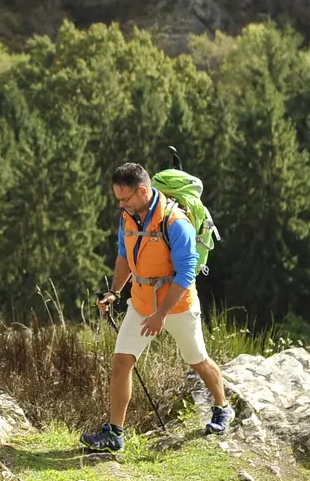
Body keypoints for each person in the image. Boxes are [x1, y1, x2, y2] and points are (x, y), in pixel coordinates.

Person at [81, 162, 233, 452]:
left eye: (124, 199)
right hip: (140, 303)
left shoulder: (176, 222)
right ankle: (114, 433)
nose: (121, 205)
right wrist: (114, 291)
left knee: (197, 359)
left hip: (177, 306)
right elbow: (124, 256)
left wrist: (161, 314)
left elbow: (186, 273)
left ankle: (223, 407)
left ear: (142, 191)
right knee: (121, 364)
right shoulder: (128, 218)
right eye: (118, 200)